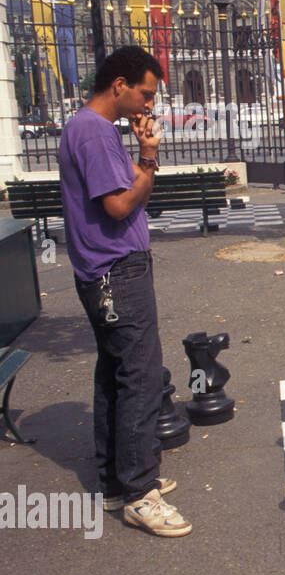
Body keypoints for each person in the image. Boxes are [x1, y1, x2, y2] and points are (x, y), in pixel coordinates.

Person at [58, 45, 193, 536]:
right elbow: (119, 206)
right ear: (119, 85)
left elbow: (128, 193)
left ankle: (116, 482)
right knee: (138, 376)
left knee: (114, 373)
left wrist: (143, 152)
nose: (148, 105)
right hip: (116, 272)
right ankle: (140, 492)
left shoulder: (89, 127)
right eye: (145, 93)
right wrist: (152, 157)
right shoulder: (93, 132)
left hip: (104, 270)